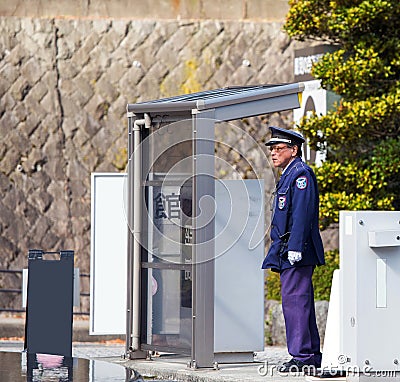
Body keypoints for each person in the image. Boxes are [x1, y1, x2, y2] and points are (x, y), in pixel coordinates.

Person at [262, 126, 325, 373]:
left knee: (295, 302)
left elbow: (302, 214)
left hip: (296, 249)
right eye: (272, 150)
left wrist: (296, 247)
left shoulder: (301, 175)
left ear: (294, 149)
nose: (274, 154)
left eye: (279, 149)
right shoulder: (289, 174)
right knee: (299, 301)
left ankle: (301, 356)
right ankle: (308, 354)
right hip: (287, 248)